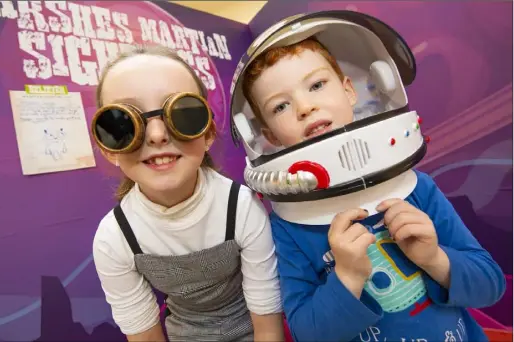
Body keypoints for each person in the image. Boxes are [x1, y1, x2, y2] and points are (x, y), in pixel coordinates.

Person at [229, 11, 506, 342]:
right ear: (268, 135)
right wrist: (346, 277)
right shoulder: (288, 228)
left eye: (317, 85)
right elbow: (309, 334)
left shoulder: (418, 189)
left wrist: (435, 259)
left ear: (349, 91)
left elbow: (491, 285)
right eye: (280, 107)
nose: (305, 107)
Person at [91, 45, 284, 342]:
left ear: (207, 133)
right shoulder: (114, 239)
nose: (157, 135)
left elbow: (267, 329)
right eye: (124, 122)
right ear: (108, 149)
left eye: (181, 112)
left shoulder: (241, 207)